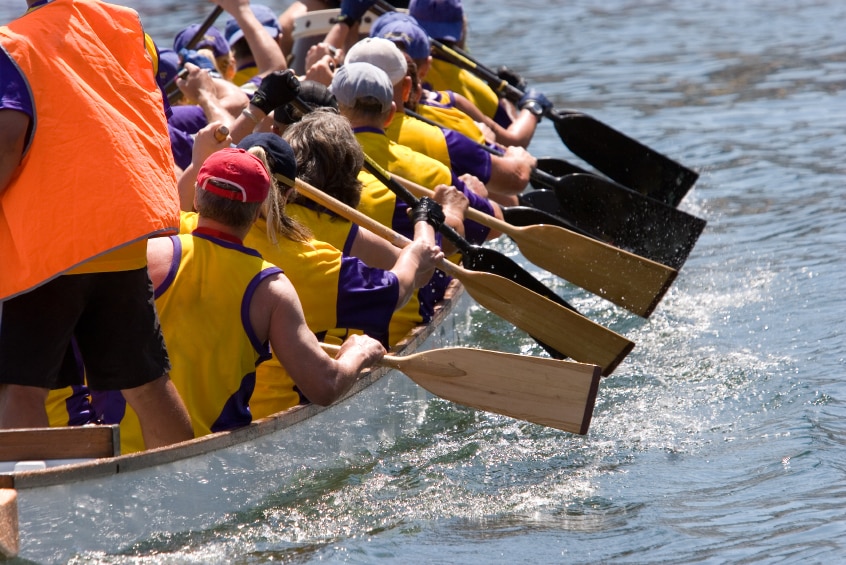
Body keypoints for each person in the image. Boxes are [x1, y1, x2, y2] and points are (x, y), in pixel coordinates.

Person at [99, 147, 387, 450]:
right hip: (206, 461)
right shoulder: (272, 289)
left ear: (197, 197)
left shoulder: (145, 253)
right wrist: (359, 352)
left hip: (115, 453)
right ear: (259, 210)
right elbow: (325, 386)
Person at [0, 0, 193, 449]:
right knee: (146, 381)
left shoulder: (11, 45)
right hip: (120, 237)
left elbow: (8, 140)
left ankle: (29, 505)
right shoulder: (128, 27)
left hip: (48, 251)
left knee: (21, 387)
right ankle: (187, 478)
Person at [231, 131, 442, 417]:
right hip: (278, 409)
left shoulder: (186, 229)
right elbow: (409, 282)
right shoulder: (313, 257)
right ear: (291, 190)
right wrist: (424, 228)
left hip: (213, 413)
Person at [345, 36, 535, 202]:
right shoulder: (445, 140)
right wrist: (521, 160)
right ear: (408, 87)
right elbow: (514, 181)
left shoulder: (325, 139)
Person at [408, 0, 552, 131]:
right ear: (461, 30)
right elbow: (511, 140)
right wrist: (511, 101)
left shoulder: (398, 69)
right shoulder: (475, 88)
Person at [219, 0, 288, 88]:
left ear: (230, 49)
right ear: (279, 41)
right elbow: (275, 70)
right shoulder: (295, 82)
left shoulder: (225, 89)